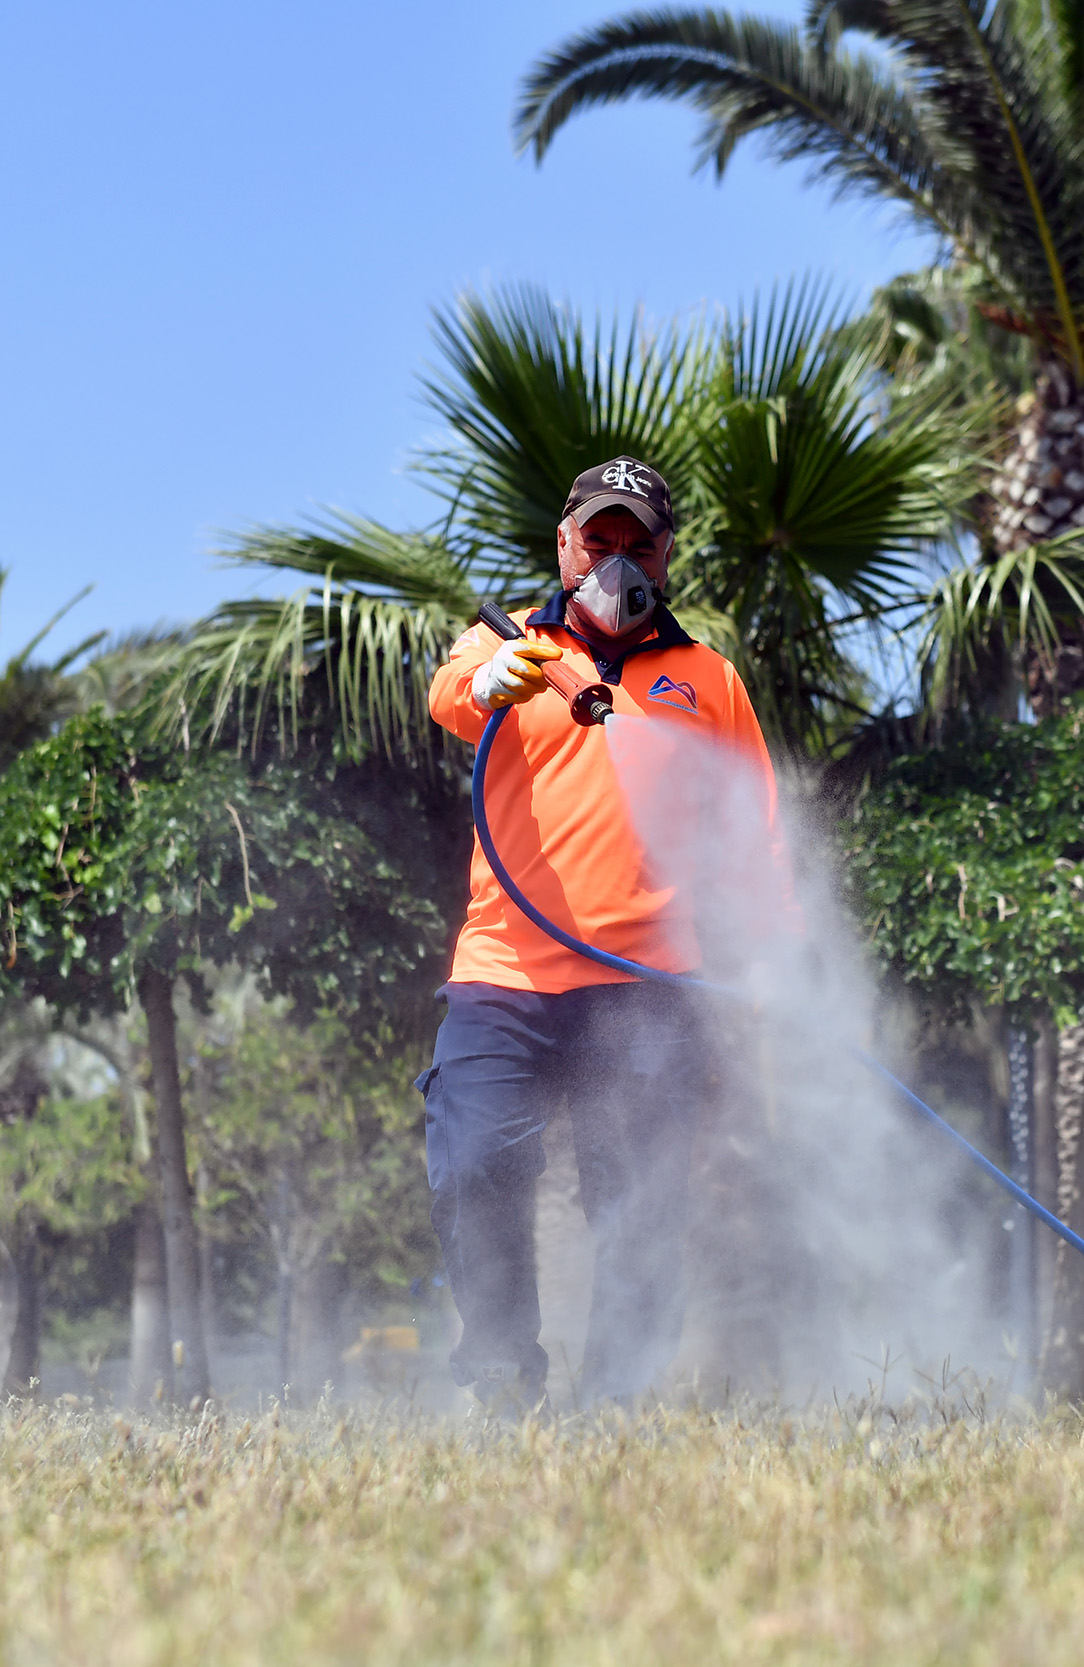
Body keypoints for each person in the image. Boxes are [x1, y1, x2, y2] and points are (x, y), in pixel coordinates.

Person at [417, 456, 781, 1409]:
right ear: (564, 546)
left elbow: (757, 830)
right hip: (507, 971)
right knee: (475, 1160)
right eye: (600, 540)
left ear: (666, 554)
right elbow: (450, 694)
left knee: (640, 1208)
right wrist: (494, 676)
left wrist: (778, 952)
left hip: (651, 980)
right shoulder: (510, 649)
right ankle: (502, 1378)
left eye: (638, 544)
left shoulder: (707, 679)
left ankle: (615, 1407)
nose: (617, 561)